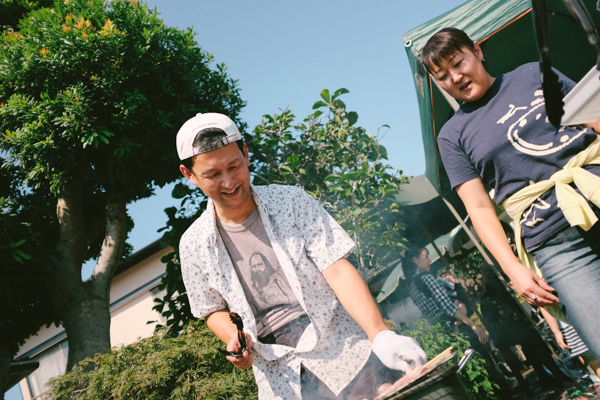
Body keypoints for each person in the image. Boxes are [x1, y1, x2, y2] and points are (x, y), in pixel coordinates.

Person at [176, 112, 427, 399]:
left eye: (234, 166)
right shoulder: (193, 245)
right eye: (213, 174)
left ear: (245, 154)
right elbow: (212, 308)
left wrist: (380, 334)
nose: (229, 181)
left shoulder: (290, 201)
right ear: (190, 175)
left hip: (338, 343)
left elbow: (336, 268)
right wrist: (233, 338)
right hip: (278, 372)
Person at [419, 27, 600, 359]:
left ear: (477, 50)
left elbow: (596, 118)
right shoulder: (452, 135)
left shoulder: (532, 74)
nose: (455, 78)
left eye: (458, 63)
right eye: (442, 76)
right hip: (555, 241)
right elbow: (479, 208)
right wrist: (513, 268)